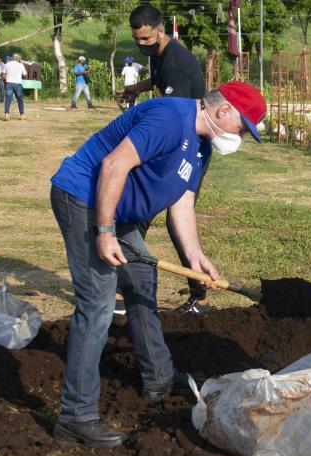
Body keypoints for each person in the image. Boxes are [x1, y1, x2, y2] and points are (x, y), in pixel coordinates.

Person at [49, 81, 266, 448]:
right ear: (225, 110)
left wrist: (197, 258)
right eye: (243, 127)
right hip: (85, 199)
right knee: (98, 305)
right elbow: (114, 164)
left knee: (141, 286)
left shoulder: (202, 145)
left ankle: (158, 377)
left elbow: (182, 204)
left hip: (119, 215)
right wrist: (103, 232)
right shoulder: (170, 117)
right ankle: (75, 415)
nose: (240, 136)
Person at [116, 5, 210, 313]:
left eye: (146, 38)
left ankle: (197, 294)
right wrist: (135, 88)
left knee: (155, 214)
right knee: (142, 213)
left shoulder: (178, 66)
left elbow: (178, 118)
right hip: (176, 139)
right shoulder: (158, 55)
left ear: (160, 30)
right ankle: (122, 286)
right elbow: (159, 86)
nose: (141, 44)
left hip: (188, 145)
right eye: (136, 39)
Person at [2, 53, 27, 121]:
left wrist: (5, 82)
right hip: (18, 84)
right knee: (20, 100)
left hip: (9, 83)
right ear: (18, 59)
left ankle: (6, 115)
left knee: (8, 99)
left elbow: (3, 74)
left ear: (12, 58)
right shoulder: (21, 65)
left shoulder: (7, 64)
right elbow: (25, 75)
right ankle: (22, 116)